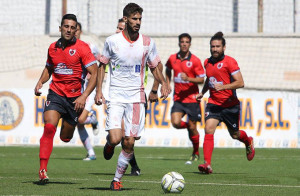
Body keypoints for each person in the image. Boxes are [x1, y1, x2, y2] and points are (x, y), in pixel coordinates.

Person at [95, 3, 169, 191]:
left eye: (140, 19)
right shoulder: (112, 41)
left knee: (129, 141)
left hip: (136, 98)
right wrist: (98, 91)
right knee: (114, 138)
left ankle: (117, 179)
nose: (138, 23)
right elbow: (101, 67)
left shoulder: (147, 42)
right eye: (134, 19)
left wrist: (164, 83)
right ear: (126, 19)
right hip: (116, 96)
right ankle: (110, 145)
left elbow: (154, 67)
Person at [34, 14, 98, 184]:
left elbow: (95, 72)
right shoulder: (52, 48)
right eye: (66, 27)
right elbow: (49, 68)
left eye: (72, 27)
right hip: (56, 94)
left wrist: (84, 96)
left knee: (65, 137)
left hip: (75, 100)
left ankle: (74, 122)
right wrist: (40, 81)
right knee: (48, 128)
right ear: (60, 28)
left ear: (76, 29)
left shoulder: (83, 48)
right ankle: (42, 170)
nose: (69, 30)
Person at [196, 32, 255, 174]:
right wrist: (202, 93)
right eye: (212, 46)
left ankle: (248, 141)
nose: (215, 49)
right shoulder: (207, 62)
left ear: (224, 47)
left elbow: (240, 82)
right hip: (214, 104)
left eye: (217, 46)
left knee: (234, 135)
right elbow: (209, 79)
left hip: (230, 105)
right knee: (208, 129)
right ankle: (207, 164)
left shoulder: (230, 62)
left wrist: (223, 87)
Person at [165, 33, 205, 164]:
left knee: (193, 127)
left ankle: (196, 152)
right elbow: (168, 69)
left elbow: (201, 79)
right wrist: (167, 83)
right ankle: (189, 126)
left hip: (192, 99)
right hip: (179, 99)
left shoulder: (195, 60)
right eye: (182, 41)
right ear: (179, 43)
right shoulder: (172, 58)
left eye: (187, 42)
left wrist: (189, 79)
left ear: (190, 44)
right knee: (175, 123)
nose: (184, 44)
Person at [74, 22, 100, 161]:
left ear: (80, 32)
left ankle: (93, 119)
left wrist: (94, 74)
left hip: (88, 90)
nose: (74, 32)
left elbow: (100, 61)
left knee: (81, 119)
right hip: (75, 91)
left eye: (76, 29)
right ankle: (91, 153)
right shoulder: (69, 48)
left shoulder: (90, 47)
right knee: (78, 123)